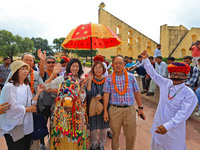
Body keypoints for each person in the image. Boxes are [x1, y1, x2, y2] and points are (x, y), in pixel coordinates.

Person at [141, 50, 198, 150]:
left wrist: (167, 126)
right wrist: (146, 60)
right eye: (174, 74)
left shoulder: (189, 94)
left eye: (180, 75)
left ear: (186, 77)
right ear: (170, 74)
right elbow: (153, 74)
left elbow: (182, 115)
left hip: (174, 132)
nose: (176, 76)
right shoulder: (165, 83)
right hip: (158, 127)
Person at [103, 55, 146, 150]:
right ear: (112, 65)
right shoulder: (109, 78)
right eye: (116, 63)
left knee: (131, 136)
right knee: (115, 135)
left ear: (124, 64)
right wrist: (105, 111)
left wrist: (140, 108)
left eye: (120, 63)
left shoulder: (131, 77)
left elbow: (136, 92)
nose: (118, 65)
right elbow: (106, 94)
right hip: (114, 110)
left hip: (129, 109)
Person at [0, 60, 45, 150]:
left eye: (26, 69)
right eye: (23, 69)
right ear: (16, 71)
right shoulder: (9, 87)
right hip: (14, 127)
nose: (26, 71)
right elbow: (12, 109)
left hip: (26, 126)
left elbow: (31, 104)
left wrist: (38, 93)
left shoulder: (25, 86)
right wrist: (28, 109)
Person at [45, 59, 88, 150]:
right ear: (69, 67)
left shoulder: (80, 80)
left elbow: (82, 98)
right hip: (62, 114)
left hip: (76, 114)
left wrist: (83, 86)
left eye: (77, 66)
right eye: (73, 66)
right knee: (62, 134)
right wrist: (53, 74)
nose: (75, 68)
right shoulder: (61, 79)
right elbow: (47, 86)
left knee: (75, 135)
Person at [86, 61, 109, 150]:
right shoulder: (91, 80)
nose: (98, 70)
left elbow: (109, 93)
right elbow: (88, 92)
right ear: (93, 70)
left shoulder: (107, 80)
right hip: (92, 106)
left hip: (104, 105)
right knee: (93, 126)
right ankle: (94, 144)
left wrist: (102, 96)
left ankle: (102, 144)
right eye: (96, 68)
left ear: (103, 69)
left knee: (103, 126)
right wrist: (89, 80)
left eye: (100, 68)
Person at [39, 56, 58, 149]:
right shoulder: (44, 74)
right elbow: (44, 86)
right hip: (45, 103)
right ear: (46, 64)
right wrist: (42, 60)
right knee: (43, 123)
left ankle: (51, 138)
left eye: (53, 62)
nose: (51, 64)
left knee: (53, 123)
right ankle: (42, 142)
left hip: (55, 103)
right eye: (49, 62)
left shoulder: (58, 74)